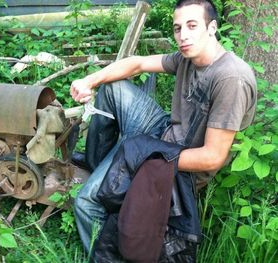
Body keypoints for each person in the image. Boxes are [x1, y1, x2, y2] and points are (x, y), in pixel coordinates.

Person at [70, 0, 257, 258]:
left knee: (87, 204)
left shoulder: (230, 78)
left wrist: (147, 157)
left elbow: (212, 157)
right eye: (178, 28)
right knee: (112, 88)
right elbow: (136, 64)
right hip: (162, 132)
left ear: (212, 27)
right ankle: (97, 163)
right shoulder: (186, 57)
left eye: (192, 26)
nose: (183, 35)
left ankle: (110, 252)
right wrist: (88, 80)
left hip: (180, 164)